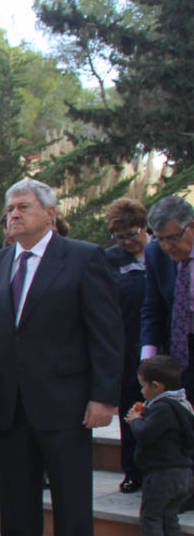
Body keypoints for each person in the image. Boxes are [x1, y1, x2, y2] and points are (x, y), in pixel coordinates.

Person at [0, 178, 121, 536]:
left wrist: (104, 397)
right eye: (10, 208)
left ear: (50, 214)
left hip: (66, 402)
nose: (13, 214)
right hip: (11, 402)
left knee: (71, 498)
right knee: (16, 492)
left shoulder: (83, 258)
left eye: (23, 207)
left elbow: (106, 332)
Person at [139, 194, 194, 509]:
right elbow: (153, 306)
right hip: (181, 345)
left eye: (172, 238)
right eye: (160, 239)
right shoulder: (155, 254)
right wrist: (148, 357)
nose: (167, 247)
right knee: (183, 415)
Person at [123, 355, 194, 536]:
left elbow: (146, 434)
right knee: (169, 516)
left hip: (162, 473)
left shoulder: (163, 407)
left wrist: (136, 420)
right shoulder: (183, 404)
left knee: (150, 517)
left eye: (143, 386)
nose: (141, 391)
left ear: (156, 386)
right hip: (183, 473)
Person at [104, 199, 149, 494]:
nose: (127, 242)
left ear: (144, 227)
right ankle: (133, 470)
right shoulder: (111, 260)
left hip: (160, 345)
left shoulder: (163, 254)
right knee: (130, 410)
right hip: (126, 345)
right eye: (120, 237)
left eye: (132, 234)